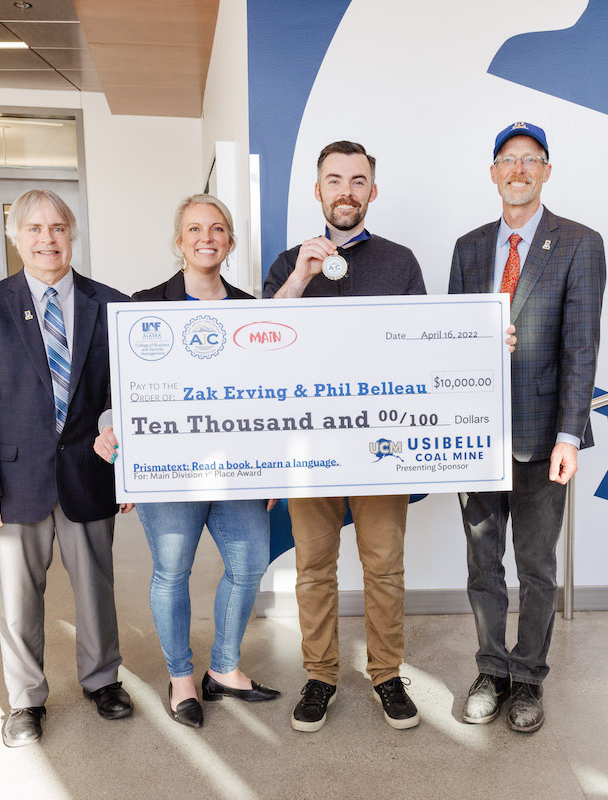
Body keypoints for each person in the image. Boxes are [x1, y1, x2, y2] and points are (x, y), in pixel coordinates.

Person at [0, 189, 133, 747]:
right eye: (34, 229)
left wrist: (129, 470)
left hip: (90, 474)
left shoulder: (111, 304)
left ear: (71, 234)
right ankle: (26, 701)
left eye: (57, 228)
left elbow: (125, 396)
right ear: (16, 237)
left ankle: (103, 681)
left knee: (96, 589)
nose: (47, 239)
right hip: (13, 482)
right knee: (18, 598)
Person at [93, 194, 279, 729]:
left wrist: (270, 466)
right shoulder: (144, 305)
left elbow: (270, 394)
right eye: (194, 228)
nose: (206, 237)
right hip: (167, 469)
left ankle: (223, 669)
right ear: (179, 242)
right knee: (172, 571)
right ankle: (181, 678)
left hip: (238, 467)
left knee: (247, 565)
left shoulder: (250, 311)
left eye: (217, 228)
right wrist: (114, 439)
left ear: (229, 242)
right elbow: (119, 388)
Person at [263, 141, 426, 731]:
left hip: (381, 446)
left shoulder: (400, 262)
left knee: (384, 566)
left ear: (372, 193)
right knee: (313, 568)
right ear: (317, 191)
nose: (346, 191)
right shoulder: (289, 263)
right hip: (311, 446)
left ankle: (386, 674)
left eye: (358, 181)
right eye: (334, 180)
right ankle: (320, 676)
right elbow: (265, 345)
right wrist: (300, 280)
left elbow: (424, 349)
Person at [449, 122, 606, 732]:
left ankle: (529, 677)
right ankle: (491, 668)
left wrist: (571, 434)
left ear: (546, 171)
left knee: (536, 567)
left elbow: (581, 346)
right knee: (482, 563)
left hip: (545, 440)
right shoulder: (468, 246)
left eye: (530, 160)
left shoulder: (578, 243)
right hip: (476, 437)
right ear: (492, 173)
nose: (518, 170)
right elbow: (452, 344)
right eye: (507, 160)